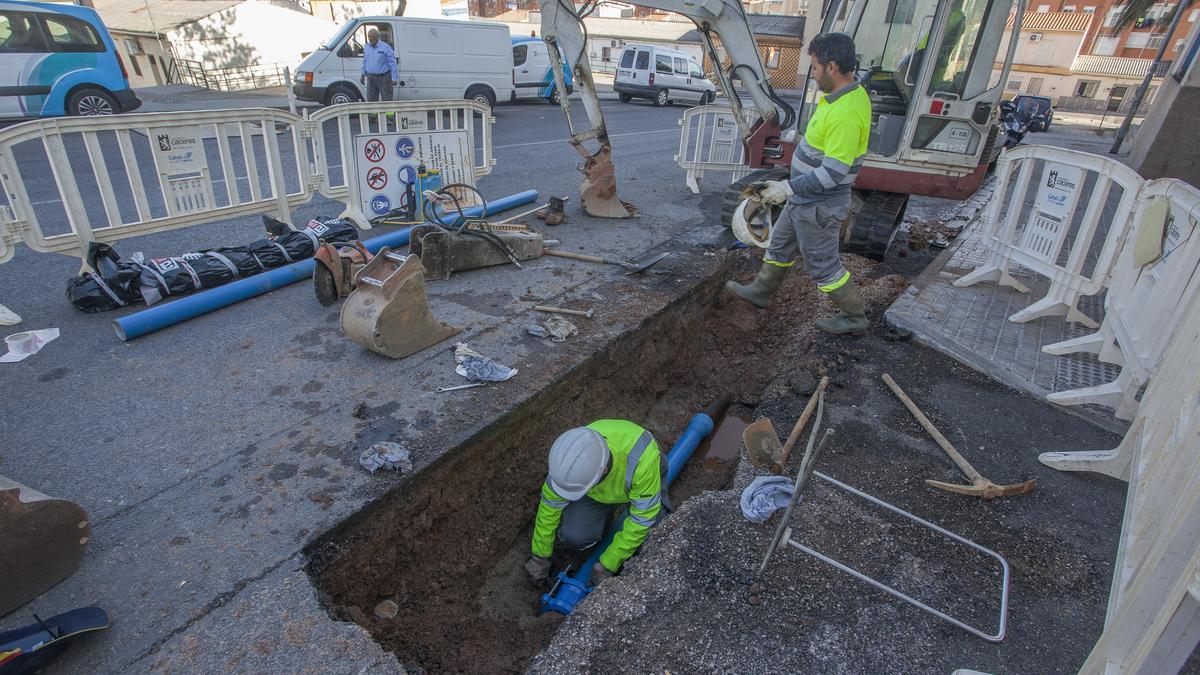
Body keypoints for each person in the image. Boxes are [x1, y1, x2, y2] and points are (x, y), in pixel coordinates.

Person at [726, 32, 873, 334]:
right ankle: (760, 292)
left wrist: (787, 188)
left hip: (820, 203)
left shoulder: (847, 113)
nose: (814, 74)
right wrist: (789, 185)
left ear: (832, 67)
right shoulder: (839, 97)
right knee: (779, 245)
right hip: (804, 197)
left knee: (823, 266)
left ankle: (854, 317)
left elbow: (832, 173)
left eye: (816, 68)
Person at [522, 421, 664, 586]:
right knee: (575, 537)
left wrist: (609, 564)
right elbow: (549, 508)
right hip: (598, 491)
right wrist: (539, 557)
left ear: (603, 470)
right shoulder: (567, 464)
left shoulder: (642, 465)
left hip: (643, 480)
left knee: (655, 537)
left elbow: (642, 519)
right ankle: (600, 529)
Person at [360, 28, 398, 102]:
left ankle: (389, 114)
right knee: (371, 100)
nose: (370, 38)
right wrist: (362, 74)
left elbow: (393, 64)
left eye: (372, 36)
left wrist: (394, 78)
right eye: (369, 36)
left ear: (377, 37)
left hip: (384, 78)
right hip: (371, 78)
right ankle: (372, 114)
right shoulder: (367, 47)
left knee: (387, 100)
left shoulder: (385, 48)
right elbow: (365, 61)